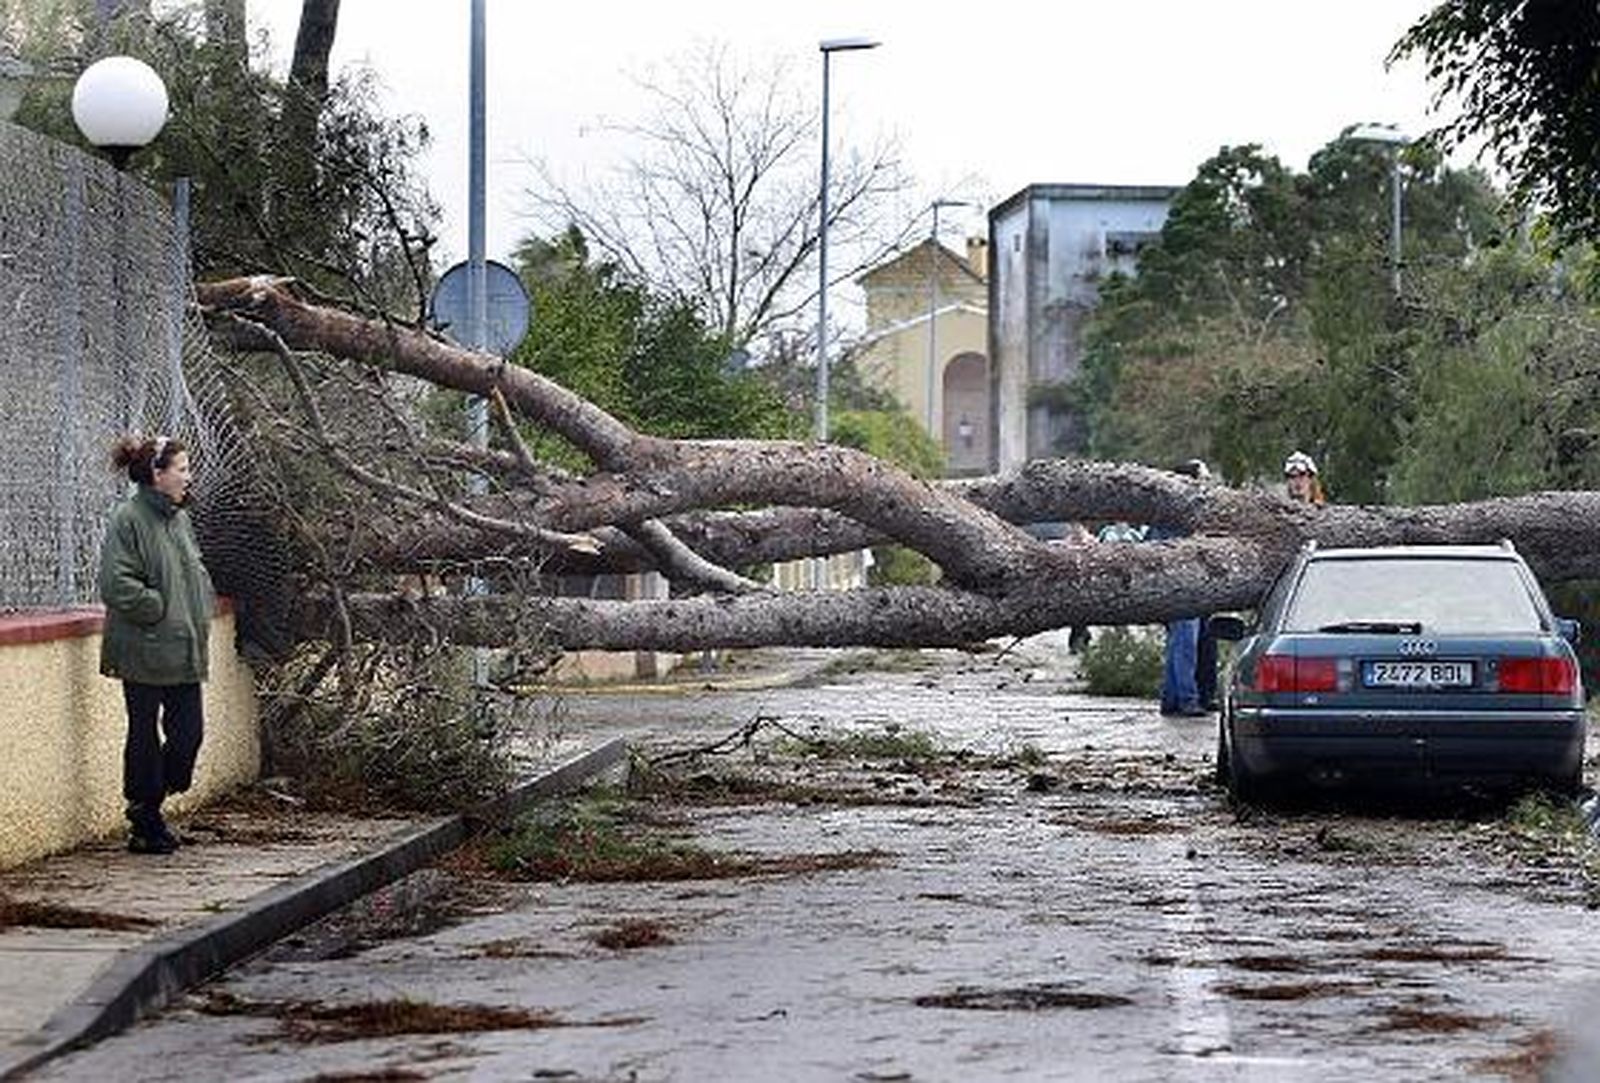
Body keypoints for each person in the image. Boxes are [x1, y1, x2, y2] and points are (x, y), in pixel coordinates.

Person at [97, 435, 215, 854]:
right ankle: (145, 820)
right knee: (143, 734)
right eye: (181, 468)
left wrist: (197, 614)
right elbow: (116, 583)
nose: (188, 475)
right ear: (156, 474)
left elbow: (193, 574)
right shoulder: (128, 519)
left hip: (183, 646)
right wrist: (158, 608)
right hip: (143, 647)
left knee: (189, 737)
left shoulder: (180, 519)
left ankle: (151, 799)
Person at [1153, 459, 1211, 718]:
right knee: (1185, 644)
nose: (1206, 485)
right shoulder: (1178, 515)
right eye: (1202, 479)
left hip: (1180, 588)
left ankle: (1171, 699)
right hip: (1181, 588)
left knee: (1179, 643)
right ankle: (1187, 699)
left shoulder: (1169, 511)